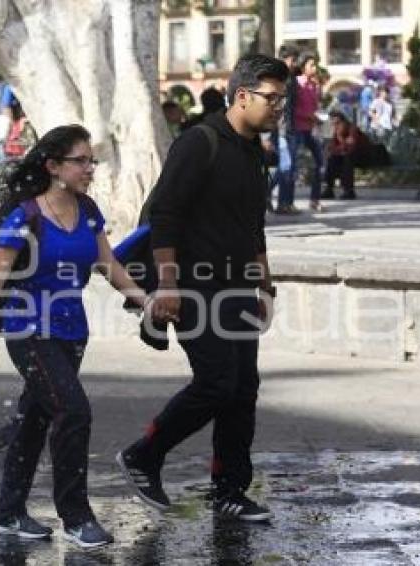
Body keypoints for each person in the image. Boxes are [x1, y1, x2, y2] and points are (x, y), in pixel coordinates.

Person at [0, 125, 152, 548]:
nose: (89, 169)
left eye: (91, 161)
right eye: (80, 161)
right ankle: (76, 517)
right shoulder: (25, 217)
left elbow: (108, 264)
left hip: (72, 332)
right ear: (53, 166)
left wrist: (144, 299)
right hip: (27, 331)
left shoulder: (87, 210)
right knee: (74, 411)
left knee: (34, 419)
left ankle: (9, 513)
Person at [115, 53, 285, 523]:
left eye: (283, 100)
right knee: (216, 383)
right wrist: (166, 286)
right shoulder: (199, 143)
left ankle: (230, 490)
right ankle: (144, 452)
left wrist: (264, 288)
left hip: (236, 291)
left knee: (243, 389)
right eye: (271, 98)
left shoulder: (254, 154)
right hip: (192, 288)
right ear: (243, 95)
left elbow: (254, 227)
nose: (279, 108)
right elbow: (165, 217)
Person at [289, 52, 325, 212]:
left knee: (320, 162)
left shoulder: (313, 85)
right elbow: (293, 109)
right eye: (311, 65)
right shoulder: (296, 84)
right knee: (289, 165)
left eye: (315, 64)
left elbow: (315, 106)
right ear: (303, 67)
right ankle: (270, 193)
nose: (315, 68)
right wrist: (309, 116)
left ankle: (315, 199)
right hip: (297, 129)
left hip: (310, 130)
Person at [275, 44, 300, 215]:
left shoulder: (292, 79)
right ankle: (282, 203)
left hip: (293, 127)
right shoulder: (277, 78)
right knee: (286, 166)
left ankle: (288, 202)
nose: (293, 63)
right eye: (292, 59)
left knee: (290, 168)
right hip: (282, 128)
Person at [322, 110, 365, 200]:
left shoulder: (352, 128)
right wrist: (336, 150)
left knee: (347, 161)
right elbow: (333, 146)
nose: (334, 124)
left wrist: (340, 138)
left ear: (342, 120)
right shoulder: (337, 130)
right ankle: (329, 189)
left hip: (361, 155)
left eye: (337, 122)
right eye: (333, 122)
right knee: (332, 160)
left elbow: (351, 146)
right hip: (344, 154)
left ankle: (349, 191)